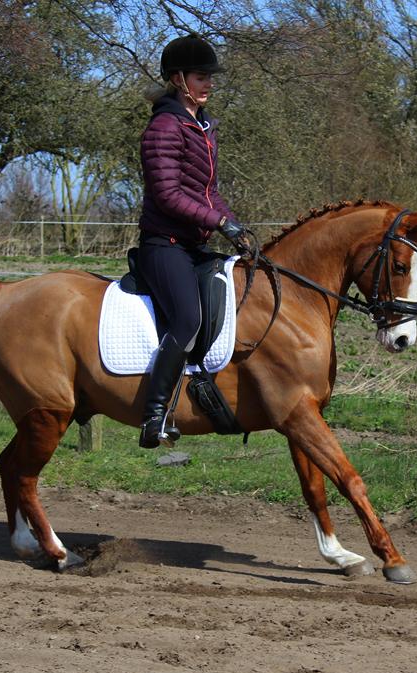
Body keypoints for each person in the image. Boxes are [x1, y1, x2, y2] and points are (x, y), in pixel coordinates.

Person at [136, 34, 249, 449]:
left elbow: (206, 192)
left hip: (194, 245)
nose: (210, 84)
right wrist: (219, 220)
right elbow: (168, 195)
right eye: (202, 77)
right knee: (187, 318)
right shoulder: (164, 127)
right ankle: (154, 416)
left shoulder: (201, 127)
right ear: (179, 79)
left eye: (210, 77)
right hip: (163, 244)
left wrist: (235, 226)